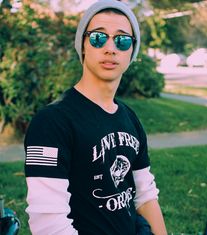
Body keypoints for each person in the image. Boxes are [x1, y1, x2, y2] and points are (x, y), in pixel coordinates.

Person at [24, 0, 167, 234]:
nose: (110, 48)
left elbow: (145, 195)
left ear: (132, 51)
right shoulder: (51, 122)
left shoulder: (129, 118)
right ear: (83, 45)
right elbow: (48, 224)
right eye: (98, 37)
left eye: (122, 40)